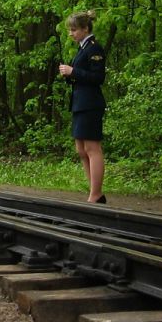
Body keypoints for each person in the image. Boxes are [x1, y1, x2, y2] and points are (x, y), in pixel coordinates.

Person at [58, 10, 107, 204]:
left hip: (90, 103)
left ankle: (96, 194)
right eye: (69, 30)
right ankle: (93, 191)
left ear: (85, 29)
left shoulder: (94, 48)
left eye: (73, 29)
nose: (70, 33)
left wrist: (73, 71)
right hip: (79, 103)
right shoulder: (82, 48)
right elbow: (81, 75)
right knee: (80, 149)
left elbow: (98, 77)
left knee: (92, 147)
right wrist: (69, 75)